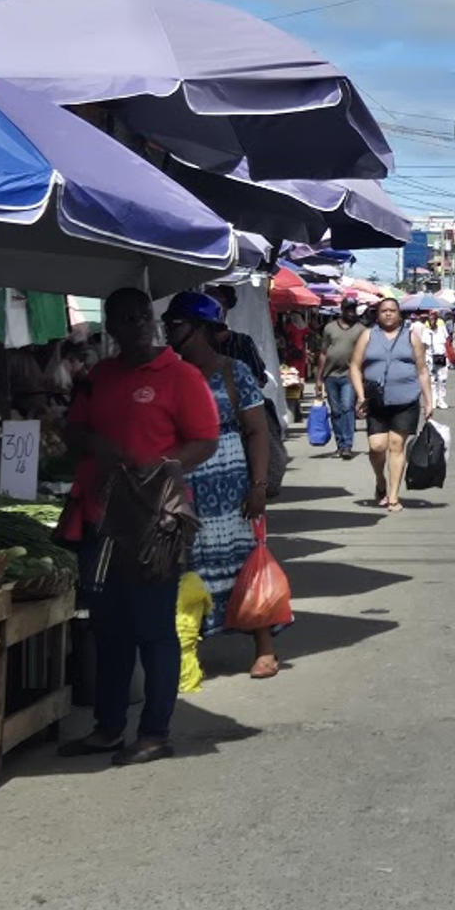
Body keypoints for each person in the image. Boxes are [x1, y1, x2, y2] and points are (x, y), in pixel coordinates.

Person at [58, 288, 219, 766]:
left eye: (139, 316)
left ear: (150, 319)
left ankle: (154, 733)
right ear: (109, 324)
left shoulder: (180, 376)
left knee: (154, 630)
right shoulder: (100, 375)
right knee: (109, 631)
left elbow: (205, 440)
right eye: (120, 318)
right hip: (101, 519)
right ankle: (108, 727)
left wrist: (163, 467)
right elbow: (74, 429)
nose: (131, 325)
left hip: (155, 523)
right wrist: (95, 443)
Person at [163, 292, 283, 681]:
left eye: (176, 324)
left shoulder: (234, 372)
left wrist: (259, 485)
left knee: (244, 561)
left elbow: (256, 430)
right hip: (184, 482)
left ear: (199, 329)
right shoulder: (167, 374)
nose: (168, 331)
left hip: (231, 484)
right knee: (187, 564)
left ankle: (264, 647)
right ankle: (186, 650)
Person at [356, 296, 434, 511]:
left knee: (396, 446)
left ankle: (393, 497)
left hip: (406, 399)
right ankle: (380, 481)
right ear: (378, 315)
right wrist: (361, 395)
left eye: (392, 310)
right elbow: (354, 366)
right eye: (384, 311)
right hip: (376, 400)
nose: (388, 314)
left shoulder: (411, 337)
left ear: (399, 314)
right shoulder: (367, 335)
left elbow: (422, 370)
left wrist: (429, 401)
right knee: (377, 446)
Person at [318, 297, 364, 461]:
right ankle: (339, 444)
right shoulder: (329, 328)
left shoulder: (360, 330)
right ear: (342, 310)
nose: (351, 313)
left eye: (354, 309)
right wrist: (319, 378)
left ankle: (347, 445)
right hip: (330, 376)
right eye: (348, 309)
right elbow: (323, 353)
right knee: (336, 411)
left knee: (347, 408)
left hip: (349, 376)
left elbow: (364, 355)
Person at [418, 311, 452, 411]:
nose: (432, 321)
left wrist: (449, 355)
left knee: (442, 379)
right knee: (432, 380)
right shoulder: (426, 331)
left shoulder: (442, 329)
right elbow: (423, 345)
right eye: (430, 319)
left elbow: (447, 342)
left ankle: (441, 400)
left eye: (434, 319)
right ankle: (432, 400)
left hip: (441, 356)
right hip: (430, 357)